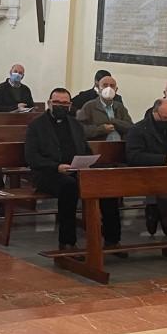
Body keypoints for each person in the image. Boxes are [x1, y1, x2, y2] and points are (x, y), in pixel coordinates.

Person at [26, 88, 124, 253]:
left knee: (105, 183)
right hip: (48, 173)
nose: (61, 106)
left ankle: (112, 240)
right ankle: (67, 242)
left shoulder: (75, 124)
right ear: (50, 103)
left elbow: (85, 149)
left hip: (77, 169)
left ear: (70, 105)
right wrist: (56, 166)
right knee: (69, 187)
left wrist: (86, 162)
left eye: (65, 103)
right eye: (57, 102)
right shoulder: (36, 125)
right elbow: (31, 157)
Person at [125, 99, 167, 238]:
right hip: (148, 172)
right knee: (166, 192)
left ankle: (157, 210)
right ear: (154, 112)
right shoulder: (138, 129)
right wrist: (163, 160)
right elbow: (133, 156)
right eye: (164, 118)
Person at [77, 75, 134, 141]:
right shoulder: (89, 106)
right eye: (105, 85)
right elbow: (79, 129)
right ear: (98, 88)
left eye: (112, 86)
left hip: (119, 146)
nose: (109, 88)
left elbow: (131, 127)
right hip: (98, 147)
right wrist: (101, 129)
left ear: (116, 90)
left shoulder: (120, 107)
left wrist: (114, 121)